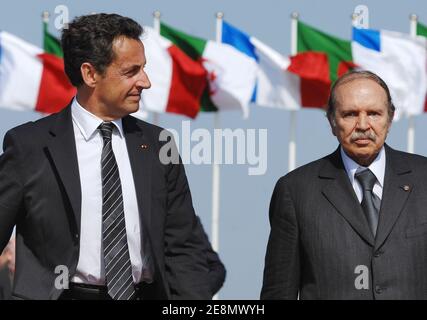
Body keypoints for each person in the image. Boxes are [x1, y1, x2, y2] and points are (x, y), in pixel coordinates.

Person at [0, 13, 219, 300]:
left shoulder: (159, 144)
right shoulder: (29, 145)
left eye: (144, 69)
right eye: (131, 71)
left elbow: (184, 247)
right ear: (90, 74)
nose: (146, 82)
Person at [261, 70, 427, 300]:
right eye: (350, 114)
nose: (362, 124)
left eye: (374, 113)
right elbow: (278, 291)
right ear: (331, 121)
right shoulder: (295, 191)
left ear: (390, 119)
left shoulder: (423, 179)